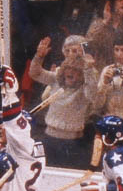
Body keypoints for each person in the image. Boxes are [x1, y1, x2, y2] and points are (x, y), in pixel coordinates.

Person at [29, 35, 98, 168]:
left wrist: (88, 68)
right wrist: (39, 56)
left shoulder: (90, 74)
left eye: (76, 51)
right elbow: (36, 73)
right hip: (50, 136)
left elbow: (91, 95)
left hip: (74, 140)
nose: (71, 55)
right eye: (68, 51)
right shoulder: (59, 74)